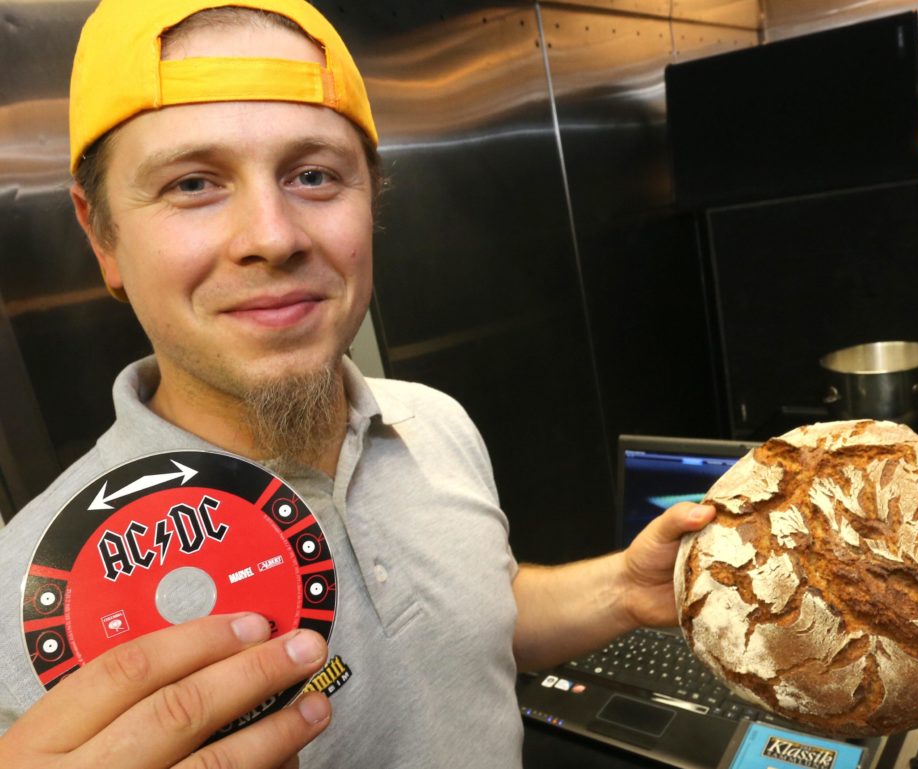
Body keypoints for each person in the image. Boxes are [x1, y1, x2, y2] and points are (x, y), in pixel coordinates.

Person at [0, 1, 716, 767]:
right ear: (102, 233)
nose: (273, 236)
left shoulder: (432, 421)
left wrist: (622, 590)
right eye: (193, 183)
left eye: (313, 175)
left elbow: (480, 613)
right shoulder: (26, 602)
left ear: (369, 200)